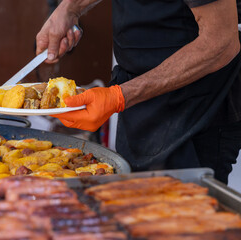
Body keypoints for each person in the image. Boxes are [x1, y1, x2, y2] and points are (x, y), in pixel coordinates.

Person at [35, 0, 241, 184]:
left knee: (181, 216)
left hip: (196, 107)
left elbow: (221, 43)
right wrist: (69, 7)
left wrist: (120, 96)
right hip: (138, 97)